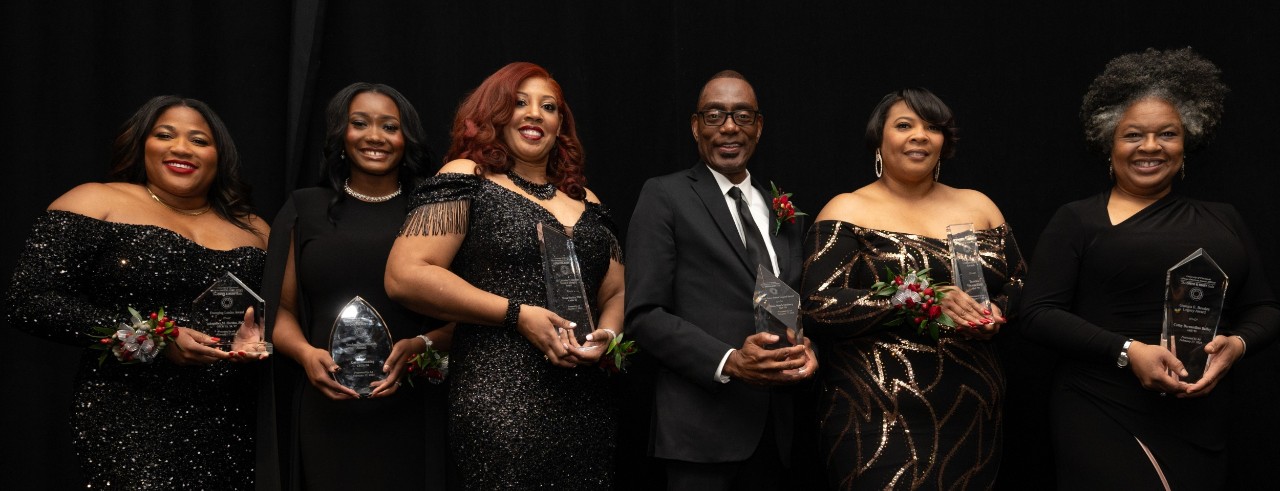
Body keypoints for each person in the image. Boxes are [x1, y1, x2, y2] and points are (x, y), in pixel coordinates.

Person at [1019, 47, 1280, 490]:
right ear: (1109, 143)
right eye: (1133, 135)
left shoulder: (1225, 218)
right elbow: (1037, 313)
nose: (1151, 147)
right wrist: (1127, 351)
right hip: (1102, 408)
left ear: (1186, 144)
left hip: (1200, 415)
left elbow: (1265, 307)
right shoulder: (1079, 219)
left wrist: (1237, 345)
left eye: (1168, 134)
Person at [4, 95, 270, 489]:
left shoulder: (257, 229)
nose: (181, 148)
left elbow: (285, 315)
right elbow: (29, 301)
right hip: (132, 413)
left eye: (199, 140)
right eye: (165, 135)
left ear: (220, 155)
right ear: (142, 144)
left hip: (236, 416)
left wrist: (260, 342)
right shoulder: (96, 201)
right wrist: (157, 338)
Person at [385, 62, 623, 490]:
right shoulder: (467, 179)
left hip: (586, 402)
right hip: (501, 399)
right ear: (494, 114)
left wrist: (607, 334)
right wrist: (518, 314)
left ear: (559, 125)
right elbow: (406, 275)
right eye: (519, 103)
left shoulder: (587, 200)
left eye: (548, 107)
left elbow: (616, 291)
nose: (535, 113)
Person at [800, 87, 1024, 489]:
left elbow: (1023, 281)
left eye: (933, 127)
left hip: (972, 412)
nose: (920, 135)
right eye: (905, 125)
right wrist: (919, 298)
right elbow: (819, 305)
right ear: (879, 140)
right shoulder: (846, 209)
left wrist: (997, 311)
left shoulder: (980, 206)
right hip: (878, 414)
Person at [625, 70, 818, 491]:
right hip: (700, 431)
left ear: (758, 127)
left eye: (742, 115)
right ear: (696, 127)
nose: (729, 126)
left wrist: (805, 348)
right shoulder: (665, 195)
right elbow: (643, 314)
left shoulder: (781, 208)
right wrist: (731, 361)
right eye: (715, 115)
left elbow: (788, 302)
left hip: (775, 432)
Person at [260, 83, 448, 490]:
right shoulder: (303, 208)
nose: (375, 136)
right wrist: (305, 354)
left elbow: (465, 313)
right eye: (359, 123)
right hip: (326, 411)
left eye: (390, 126)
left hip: (414, 409)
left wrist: (423, 345)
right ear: (340, 137)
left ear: (406, 138)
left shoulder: (432, 212)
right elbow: (281, 310)